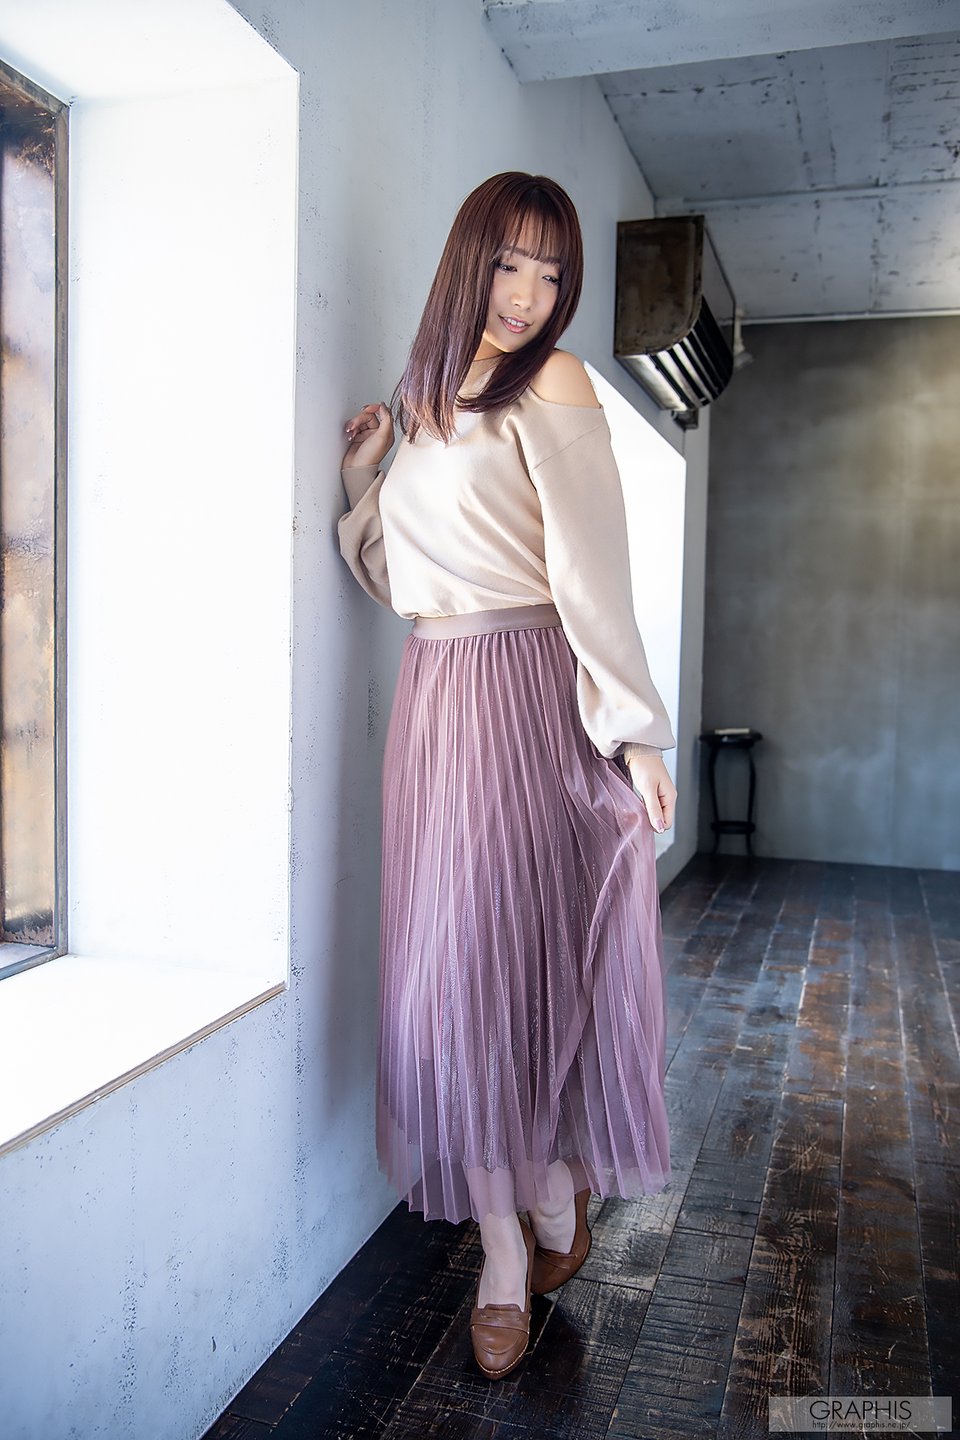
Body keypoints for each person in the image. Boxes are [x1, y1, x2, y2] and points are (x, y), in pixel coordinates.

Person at [337, 171, 677, 1380]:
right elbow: (402, 577)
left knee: (516, 959)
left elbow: (593, 568)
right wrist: (366, 477)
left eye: (552, 272)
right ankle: (504, 1238)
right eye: (509, 264)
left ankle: (544, 1191)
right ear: (467, 259)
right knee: (448, 982)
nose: (529, 294)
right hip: (435, 704)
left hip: (533, 694)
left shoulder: (558, 385)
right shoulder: (421, 396)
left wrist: (636, 730)